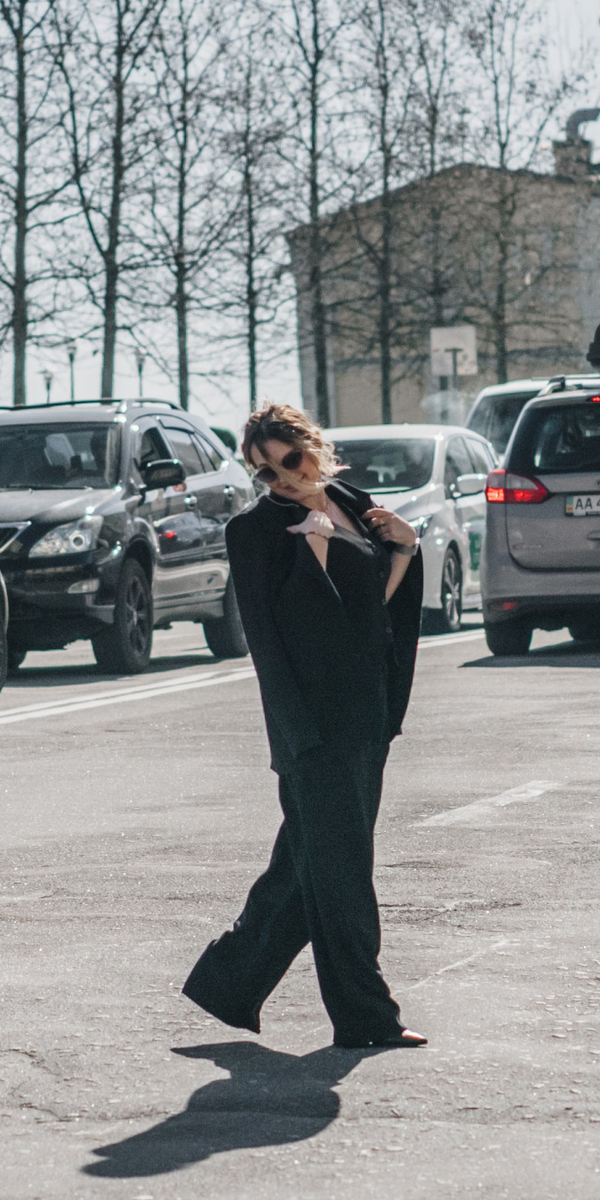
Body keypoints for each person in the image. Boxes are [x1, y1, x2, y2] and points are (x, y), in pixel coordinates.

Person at [182, 402, 428, 1049]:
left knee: (308, 866)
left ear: (314, 443)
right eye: (266, 473)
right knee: (344, 871)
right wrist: (296, 740)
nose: (283, 479)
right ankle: (365, 1015)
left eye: (290, 459)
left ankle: (229, 980)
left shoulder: (356, 500)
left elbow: (375, 609)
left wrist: (407, 546)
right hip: (313, 730)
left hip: (367, 715)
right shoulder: (256, 532)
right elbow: (266, 642)